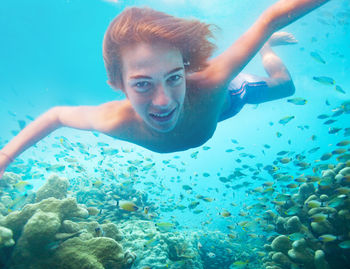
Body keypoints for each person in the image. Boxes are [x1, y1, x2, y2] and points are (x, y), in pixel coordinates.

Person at [0, 0, 330, 178]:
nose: (164, 101)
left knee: (284, 87)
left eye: (174, 76)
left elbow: (269, 19)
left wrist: (265, 42)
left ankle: (267, 51)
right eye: (143, 84)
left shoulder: (214, 78)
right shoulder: (113, 119)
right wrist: (4, 157)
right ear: (118, 85)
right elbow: (57, 115)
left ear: (185, 69)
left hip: (228, 98)